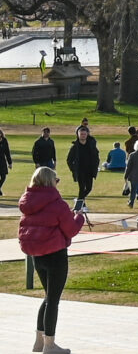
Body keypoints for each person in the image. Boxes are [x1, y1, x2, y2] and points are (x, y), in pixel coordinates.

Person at [21, 166, 85, 354]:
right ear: (50, 182)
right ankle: (49, 344)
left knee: (49, 297)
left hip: (36, 254)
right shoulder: (57, 204)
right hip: (55, 253)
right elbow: (71, 229)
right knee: (53, 300)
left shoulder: (27, 202)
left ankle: (38, 341)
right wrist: (79, 217)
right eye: (56, 181)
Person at [65, 126, 99, 212]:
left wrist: (96, 165)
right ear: (78, 134)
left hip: (90, 170)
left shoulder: (91, 145)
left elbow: (96, 156)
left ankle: (79, 200)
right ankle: (80, 206)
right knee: (81, 188)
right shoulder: (75, 147)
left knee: (89, 188)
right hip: (80, 171)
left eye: (84, 134)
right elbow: (69, 160)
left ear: (87, 134)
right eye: (81, 134)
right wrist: (73, 169)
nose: (83, 135)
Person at [0, 128, 11, 197]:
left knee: (3, 177)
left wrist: (10, 163)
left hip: (2, 161)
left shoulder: (4, 140)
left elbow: (7, 152)